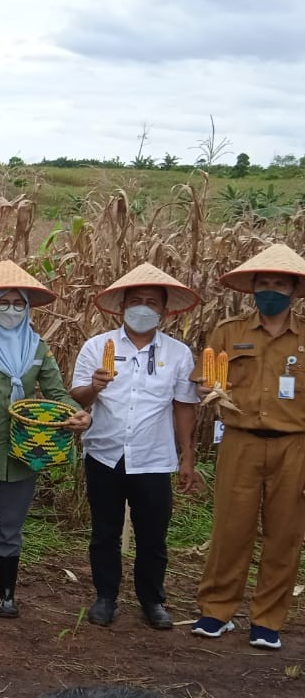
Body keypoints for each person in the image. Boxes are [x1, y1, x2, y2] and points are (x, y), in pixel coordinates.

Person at [0, 260, 89, 618]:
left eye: (18, 303)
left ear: (27, 307)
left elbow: (57, 392)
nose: (11, 310)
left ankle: (7, 595)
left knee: (12, 526)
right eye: (3, 303)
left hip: (27, 446)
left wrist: (77, 413)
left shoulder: (37, 348)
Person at [70, 263, 201, 630]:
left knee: (153, 535)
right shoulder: (97, 346)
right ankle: (105, 596)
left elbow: (183, 407)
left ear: (164, 311)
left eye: (151, 303)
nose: (143, 308)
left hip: (154, 458)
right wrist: (94, 387)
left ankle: (152, 600)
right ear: (122, 306)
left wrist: (186, 456)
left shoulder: (178, 354)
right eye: (136, 301)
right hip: (104, 452)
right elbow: (77, 395)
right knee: (105, 531)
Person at [191, 243, 305, 650]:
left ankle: (267, 620)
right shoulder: (228, 332)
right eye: (264, 283)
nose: (271, 290)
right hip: (239, 440)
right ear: (252, 288)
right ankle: (216, 611)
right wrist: (208, 387)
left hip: (295, 446)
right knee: (230, 529)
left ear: (293, 290)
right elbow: (204, 380)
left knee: (284, 534)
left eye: (280, 284)